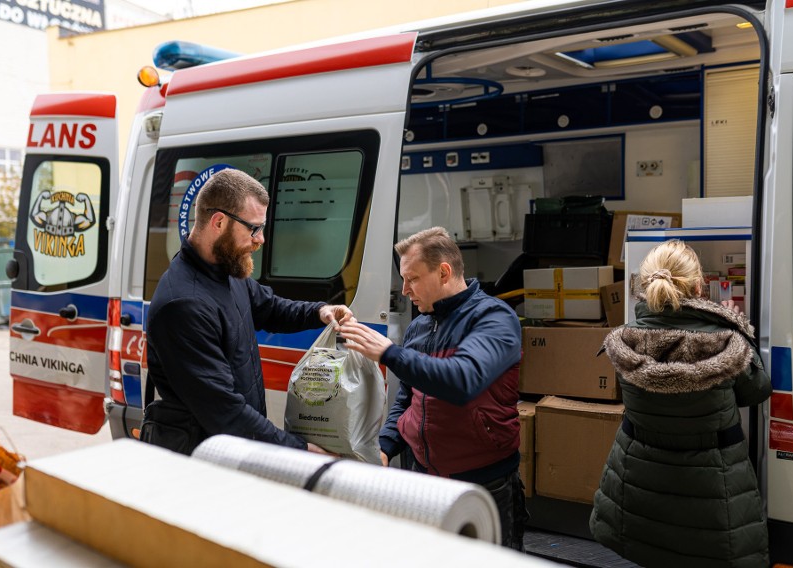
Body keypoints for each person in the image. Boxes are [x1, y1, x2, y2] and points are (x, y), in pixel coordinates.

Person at [339, 226, 528, 550]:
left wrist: (389, 352)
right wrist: (385, 446)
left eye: (412, 279)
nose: (405, 290)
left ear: (444, 272)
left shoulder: (494, 319)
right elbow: (409, 397)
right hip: (423, 478)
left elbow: (462, 380)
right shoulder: (420, 326)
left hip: (483, 482)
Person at [140, 169, 353, 456]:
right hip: (205, 460)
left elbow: (270, 307)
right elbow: (225, 412)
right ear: (219, 221)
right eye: (253, 229)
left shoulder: (226, 270)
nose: (261, 239)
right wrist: (299, 451)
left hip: (236, 449)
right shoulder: (183, 305)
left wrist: (320, 311)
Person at [589, 239, 772, 568]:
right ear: (700, 285)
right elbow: (756, 392)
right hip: (712, 488)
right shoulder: (727, 339)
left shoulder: (625, 338)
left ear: (645, 285)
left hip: (641, 482)